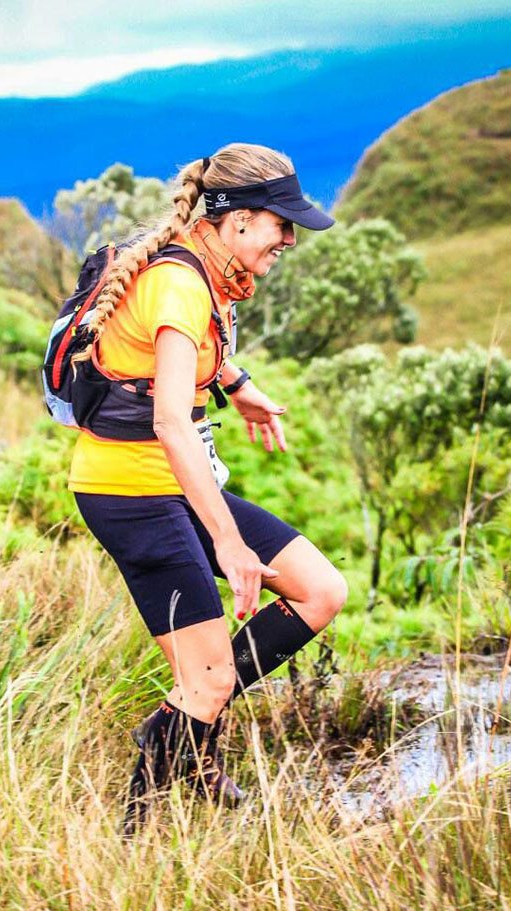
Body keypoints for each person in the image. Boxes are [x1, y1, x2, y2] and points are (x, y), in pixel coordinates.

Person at [68, 143, 348, 834]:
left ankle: (183, 728)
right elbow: (169, 418)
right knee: (210, 677)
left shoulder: (201, 267)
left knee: (321, 591)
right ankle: (135, 836)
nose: (289, 239)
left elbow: (185, 351)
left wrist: (241, 388)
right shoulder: (180, 283)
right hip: (130, 493)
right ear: (239, 220)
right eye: (282, 225)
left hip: (175, 484)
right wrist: (227, 541)